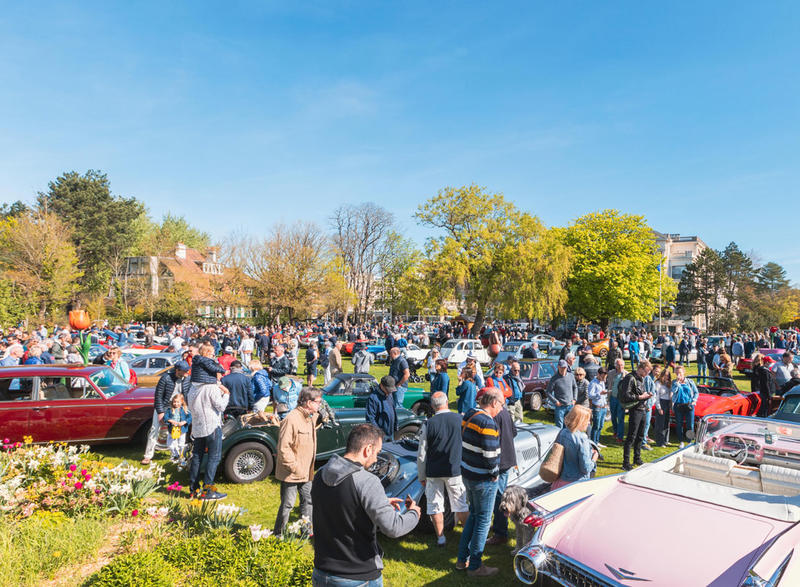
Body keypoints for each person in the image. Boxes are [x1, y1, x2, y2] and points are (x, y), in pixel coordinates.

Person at [312, 423, 420, 586]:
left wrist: (378, 502)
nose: (376, 458)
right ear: (368, 449)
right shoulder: (367, 481)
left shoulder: (321, 473)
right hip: (357, 576)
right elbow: (393, 528)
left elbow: (339, 503)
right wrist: (414, 513)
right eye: (377, 452)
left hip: (322, 572)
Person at [456, 388, 504, 577]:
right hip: (483, 478)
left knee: (474, 516)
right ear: (493, 402)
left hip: (468, 474)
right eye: (501, 404)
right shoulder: (487, 423)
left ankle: (462, 560)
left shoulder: (470, 413)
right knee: (483, 521)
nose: (502, 409)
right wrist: (495, 474)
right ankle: (475, 566)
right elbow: (490, 456)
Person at [416, 392, 469, 547]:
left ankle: (440, 537)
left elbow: (421, 453)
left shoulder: (428, 424)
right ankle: (468, 535)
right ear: (447, 402)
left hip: (434, 470)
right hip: (455, 469)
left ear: (433, 406)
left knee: (435, 504)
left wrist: (421, 475)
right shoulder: (460, 419)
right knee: (460, 504)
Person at [274, 387, 323, 535]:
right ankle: (279, 534)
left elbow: (317, 419)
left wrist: (321, 414)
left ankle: (307, 532)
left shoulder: (309, 417)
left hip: (307, 471)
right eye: (318, 402)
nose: (320, 404)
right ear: (308, 402)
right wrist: (294, 467)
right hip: (292, 472)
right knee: (287, 505)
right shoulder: (291, 419)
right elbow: (283, 447)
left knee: (308, 501)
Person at [187, 343, 229, 500]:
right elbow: (221, 406)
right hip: (211, 425)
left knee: (197, 456)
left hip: (197, 425)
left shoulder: (192, 387)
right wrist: (226, 394)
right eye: (212, 355)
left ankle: (193, 489)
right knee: (214, 457)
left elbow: (190, 405)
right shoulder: (211, 387)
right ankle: (208, 490)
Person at [141, 360, 191, 465]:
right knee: (155, 429)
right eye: (185, 371)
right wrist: (160, 412)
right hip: (164, 406)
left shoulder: (187, 379)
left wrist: (186, 409)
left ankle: (176, 454)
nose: (187, 373)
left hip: (179, 407)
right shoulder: (166, 378)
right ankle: (148, 456)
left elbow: (187, 396)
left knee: (178, 431)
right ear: (177, 370)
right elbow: (158, 396)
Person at [485, 386, 517, 548]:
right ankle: (498, 526)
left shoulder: (495, 415)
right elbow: (514, 432)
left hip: (500, 460)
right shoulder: (504, 412)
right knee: (500, 496)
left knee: (499, 498)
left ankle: (500, 533)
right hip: (507, 458)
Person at [551, 405, 597, 489]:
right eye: (587, 420)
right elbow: (586, 468)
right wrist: (594, 459)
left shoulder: (562, 432)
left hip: (559, 481)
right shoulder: (582, 438)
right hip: (576, 484)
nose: (589, 423)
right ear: (580, 421)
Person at [618, 360, 653, 470]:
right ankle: (626, 462)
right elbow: (626, 395)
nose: (647, 374)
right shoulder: (630, 378)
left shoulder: (641, 378)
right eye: (646, 371)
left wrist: (646, 396)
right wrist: (640, 397)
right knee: (631, 436)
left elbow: (639, 393)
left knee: (640, 436)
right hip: (635, 410)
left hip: (642, 409)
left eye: (648, 372)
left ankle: (637, 458)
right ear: (640, 369)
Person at [671, 365, 699, 449]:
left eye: (680, 372)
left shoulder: (690, 382)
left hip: (689, 405)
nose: (678, 374)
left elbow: (696, 392)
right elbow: (673, 391)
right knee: (679, 424)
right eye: (677, 373)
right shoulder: (674, 382)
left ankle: (689, 441)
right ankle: (681, 441)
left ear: (683, 372)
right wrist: (677, 383)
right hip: (678, 405)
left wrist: (694, 400)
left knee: (690, 424)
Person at [545, 359, 577, 429]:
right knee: (559, 427)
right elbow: (548, 392)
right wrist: (555, 402)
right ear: (558, 367)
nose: (563, 369)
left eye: (564, 368)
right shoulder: (554, 378)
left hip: (570, 405)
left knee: (568, 426)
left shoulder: (571, 376)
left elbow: (575, 387)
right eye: (561, 367)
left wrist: (574, 399)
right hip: (560, 407)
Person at [163, 393, 191, 463]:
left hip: (182, 430)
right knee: (170, 444)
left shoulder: (185, 410)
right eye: (174, 402)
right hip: (172, 430)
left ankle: (182, 456)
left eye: (178, 402)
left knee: (181, 444)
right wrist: (171, 421)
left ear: (182, 402)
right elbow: (165, 417)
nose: (176, 403)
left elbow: (190, 418)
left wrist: (184, 422)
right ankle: (175, 454)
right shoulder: (169, 410)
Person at [606, 358, 628, 442]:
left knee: (620, 417)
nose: (620, 366)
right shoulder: (611, 373)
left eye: (622, 365)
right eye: (618, 365)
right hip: (613, 397)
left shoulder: (627, 374)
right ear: (615, 366)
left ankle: (620, 436)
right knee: (613, 416)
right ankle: (615, 431)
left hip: (621, 399)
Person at [587, 368, 608, 446]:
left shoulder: (602, 382)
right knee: (596, 426)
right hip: (597, 407)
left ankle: (596, 441)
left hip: (603, 407)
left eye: (605, 377)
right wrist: (600, 394)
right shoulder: (593, 383)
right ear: (598, 374)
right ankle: (593, 443)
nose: (604, 378)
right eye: (603, 377)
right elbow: (590, 395)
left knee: (600, 426)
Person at [653, 367, 673, 447]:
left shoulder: (668, 383)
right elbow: (656, 396)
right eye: (665, 375)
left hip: (667, 403)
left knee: (666, 423)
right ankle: (659, 442)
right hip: (661, 403)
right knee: (660, 424)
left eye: (668, 376)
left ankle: (665, 440)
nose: (666, 377)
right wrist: (659, 408)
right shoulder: (658, 383)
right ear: (662, 375)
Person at [751, 354, 773, 418]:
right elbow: (766, 382)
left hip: (757, 386)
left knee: (760, 403)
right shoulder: (763, 370)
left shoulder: (757, 367)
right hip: (760, 388)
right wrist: (769, 394)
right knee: (763, 404)